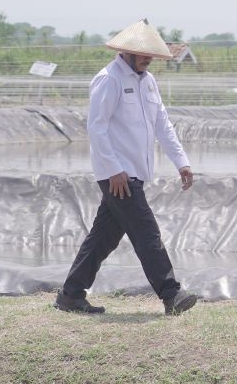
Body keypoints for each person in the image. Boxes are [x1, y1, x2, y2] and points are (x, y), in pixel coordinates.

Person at [55, 18, 197, 316]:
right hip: (118, 175)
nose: (149, 59)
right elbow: (97, 127)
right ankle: (171, 294)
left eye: (152, 54)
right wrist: (113, 169)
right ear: (127, 52)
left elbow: (162, 125)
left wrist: (181, 161)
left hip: (134, 172)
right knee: (147, 232)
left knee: (102, 238)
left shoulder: (148, 81)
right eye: (143, 53)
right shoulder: (109, 79)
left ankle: (71, 295)